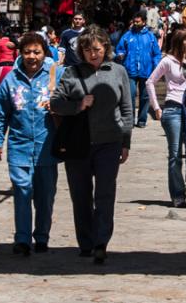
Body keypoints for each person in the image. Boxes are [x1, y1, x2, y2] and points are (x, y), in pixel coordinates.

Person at [50, 25, 132, 264]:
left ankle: (101, 242)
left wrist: (126, 141)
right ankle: (85, 242)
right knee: (81, 195)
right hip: (78, 144)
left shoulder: (118, 72)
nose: (92, 54)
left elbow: (127, 109)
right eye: (87, 50)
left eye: (96, 49)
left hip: (110, 142)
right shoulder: (71, 73)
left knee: (105, 194)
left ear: (105, 48)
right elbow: (55, 103)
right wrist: (78, 105)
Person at [0, 32, 63, 255]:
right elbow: (1, 112)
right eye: (27, 52)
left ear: (45, 53)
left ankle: (41, 236)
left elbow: (71, 101)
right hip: (19, 147)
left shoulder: (55, 76)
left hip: (47, 147)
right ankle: (22, 239)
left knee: (45, 196)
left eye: (37, 52)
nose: (32, 56)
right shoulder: (10, 80)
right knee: (22, 192)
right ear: (20, 54)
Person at [146, 28, 186, 208]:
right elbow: (150, 81)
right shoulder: (168, 61)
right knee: (175, 154)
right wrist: (156, 107)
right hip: (173, 109)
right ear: (182, 41)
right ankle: (178, 195)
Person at [115, 14, 162, 128]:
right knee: (130, 95)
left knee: (145, 97)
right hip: (130, 70)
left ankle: (142, 120)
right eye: (134, 21)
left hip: (146, 71)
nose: (135, 23)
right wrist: (120, 55)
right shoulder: (127, 35)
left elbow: (156, 54)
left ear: (144, 22)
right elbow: (120, 49)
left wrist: (155, 66)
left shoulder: (151, 37)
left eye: (138, 21)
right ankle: (130, 121)